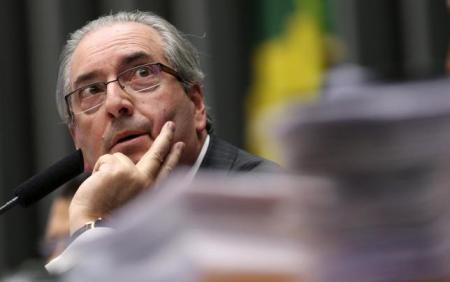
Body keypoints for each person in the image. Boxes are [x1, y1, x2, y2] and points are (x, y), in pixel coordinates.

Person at [46, 10, 279, 272]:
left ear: (197, 103)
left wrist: (91, 224)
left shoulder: (267, 200)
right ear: (76, 138)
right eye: (92, 90)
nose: (115, 103)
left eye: (142, 73)